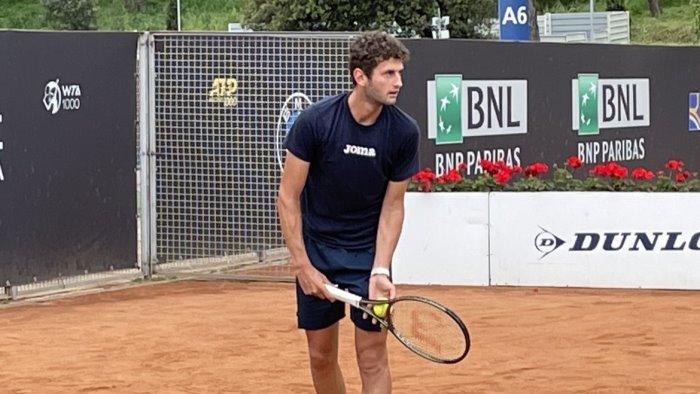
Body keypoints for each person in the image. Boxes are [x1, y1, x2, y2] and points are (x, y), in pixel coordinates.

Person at [277, 31, 420, 394]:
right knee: (321, 356)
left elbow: (393, 206)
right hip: (318, 252)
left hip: (367, 258)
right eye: (388, 73)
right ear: (361, 76)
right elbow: (288, 196)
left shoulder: (404, 132)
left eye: (399, 72)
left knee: (372, 357)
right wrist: (302, 266)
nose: (398, 82)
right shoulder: (315, 122)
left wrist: (381, 269)